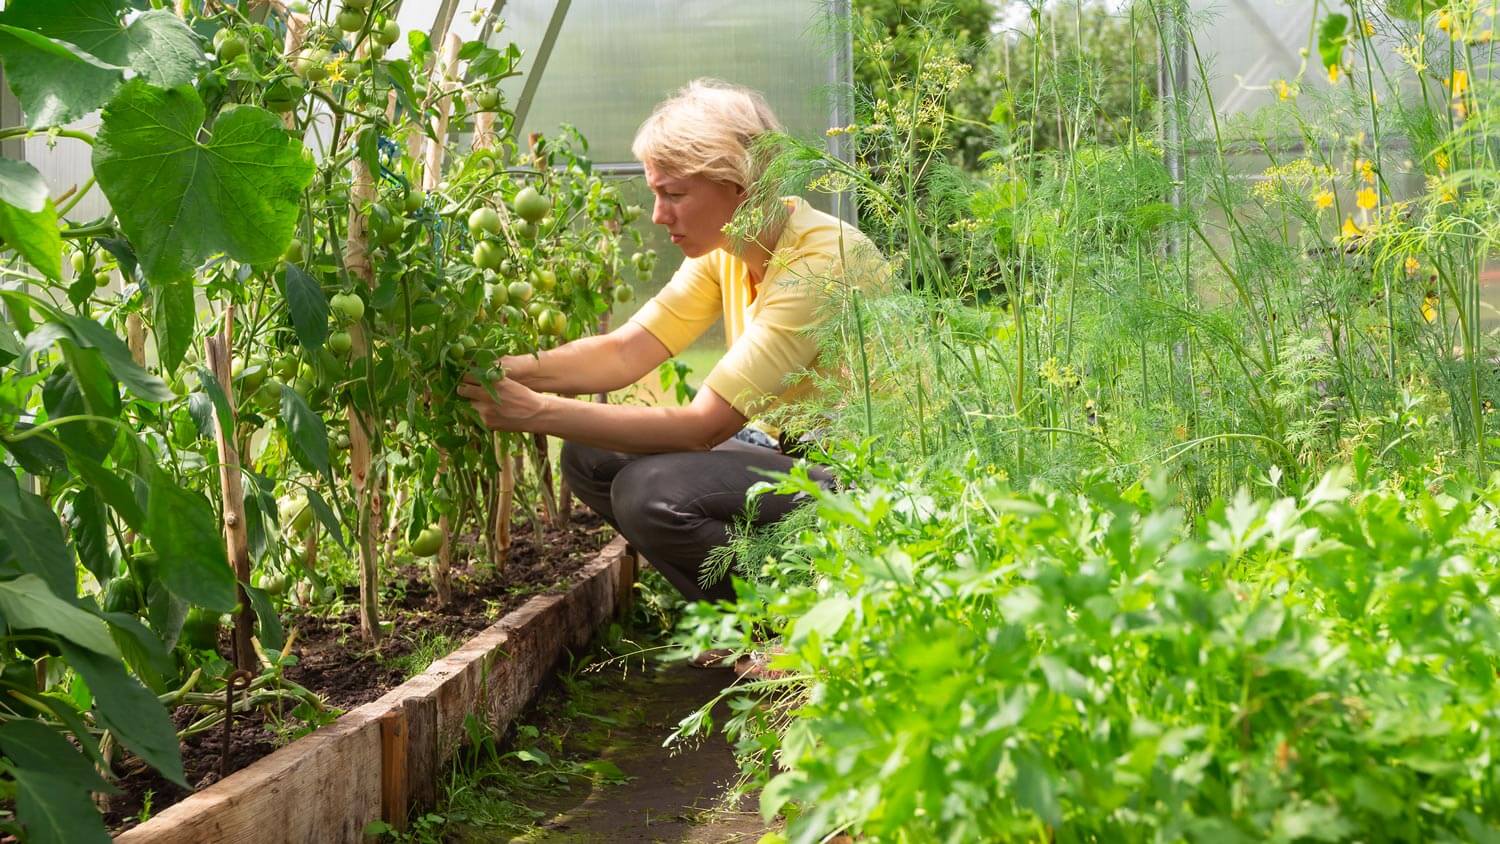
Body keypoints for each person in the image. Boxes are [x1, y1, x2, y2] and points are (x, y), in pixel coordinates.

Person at [459, 78, 883, 610]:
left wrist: (537, 412)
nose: (659, 215)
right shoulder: (728, 249)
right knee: (592, 457)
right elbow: (625, 351)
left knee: (652, 494)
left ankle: (796, 621)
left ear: (740, 183)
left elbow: (704, 428)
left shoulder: (820, 264)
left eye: (674, 194)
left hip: (864, 484)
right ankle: (749, 614)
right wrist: (503, 371)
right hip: (787, 459)